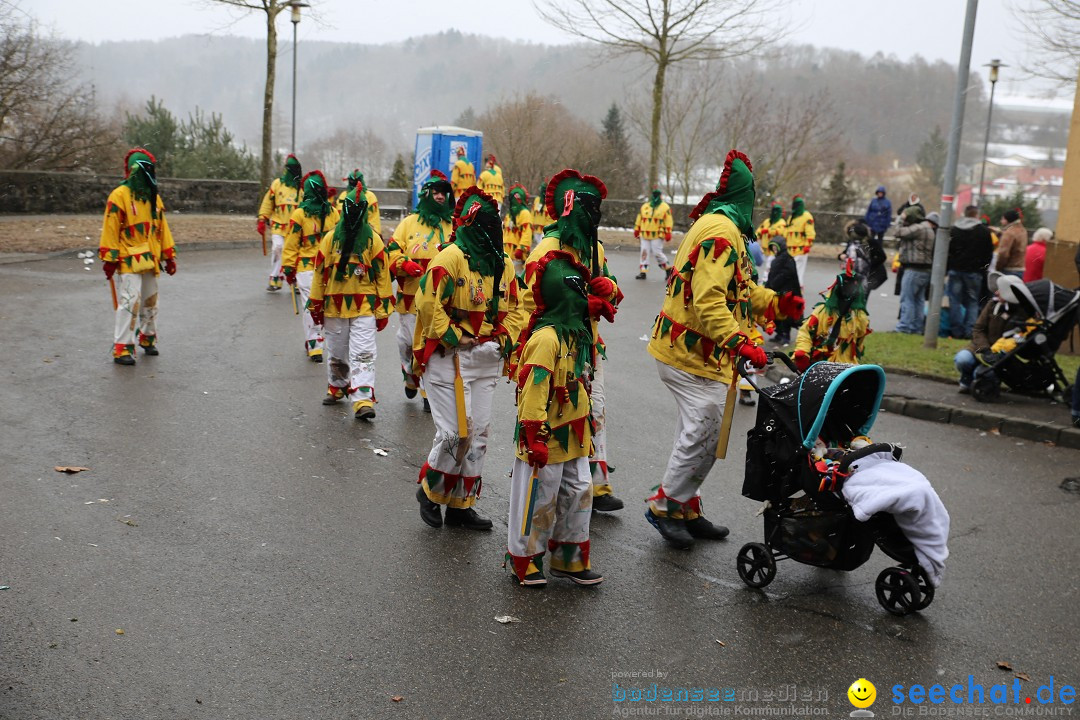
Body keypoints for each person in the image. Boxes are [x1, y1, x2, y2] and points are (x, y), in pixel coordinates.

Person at [646, 150, 803, 549]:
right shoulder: (721, 232)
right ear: (743, 198)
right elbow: (709, 300)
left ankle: (685, 505)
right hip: (689, 353)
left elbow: (741, 292)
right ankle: (665, 505)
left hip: (700, 354)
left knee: (703, 432)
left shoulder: (725, 227)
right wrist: (740, 342)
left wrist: (776, 304)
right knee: (705, 427)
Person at [413, 186, 525, 531]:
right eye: (485, 227)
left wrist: (502, 339)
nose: (492, 234)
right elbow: (428, 305)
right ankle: (431, 491)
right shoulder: (450, 258)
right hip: (450, 358)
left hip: (486, 359)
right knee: (455, 432)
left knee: (480, 434)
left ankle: (462, 504)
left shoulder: (504, 265)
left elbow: (517, 311)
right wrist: (456, 336)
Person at [520, 169, 624, 513]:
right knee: (550, 422)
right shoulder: (545, 252)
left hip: (588, 348)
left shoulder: (593, 248)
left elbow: (610, 288)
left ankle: (597, 483)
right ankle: (537, 514)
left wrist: (609, 289)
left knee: (596, 411)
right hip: (552, 353)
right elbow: (530, 308)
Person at [506, 255, 604, 588]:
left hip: (574, 432)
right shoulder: (546, 338)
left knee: (580, 490)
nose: (584, 301)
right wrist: (532, 435)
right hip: (544, 434)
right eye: (578, 294)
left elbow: (606, 298)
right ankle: (524, 558)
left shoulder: (579, 333)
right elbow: (533, 389)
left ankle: (569, 557)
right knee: (539, 497)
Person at [308, 186, 393, 420]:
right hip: (333, 308)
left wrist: (383, 309)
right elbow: (319, 274)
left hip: (364, 308)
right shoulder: (329, 239)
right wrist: (316, 305)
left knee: (364, 353)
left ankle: (363, 400)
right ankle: (337, 386)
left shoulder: (373, 241)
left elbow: (383, 276)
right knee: (336, 352)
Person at [99, 148, 177, 365]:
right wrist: (110, 258)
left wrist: (168, 255)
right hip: (128, 258)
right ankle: (122, 347)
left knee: (151, 301)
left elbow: (162, 228)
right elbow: (111, 227)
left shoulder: (154, 197)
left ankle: (147, 337)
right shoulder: (119, 196)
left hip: (150, 259)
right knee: (129, 301)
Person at [386, 171, 455, 408]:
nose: (440, 197)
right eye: (435, 192)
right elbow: (392, 251)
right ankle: (409, 372)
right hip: (409, 298)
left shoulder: (453, 224)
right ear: (427, 195)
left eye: (444, 193)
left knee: (430, 343)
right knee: (406, 342)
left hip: (440, 300)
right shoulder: (408, 223)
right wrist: (403, 264)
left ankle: (428, 393)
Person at [282, 170, 340, 362]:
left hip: (309, 268)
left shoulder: (300, 213)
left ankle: (315, 342)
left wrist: (289, 267)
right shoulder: (332, 212)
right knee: (321, 304)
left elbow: (291, 243)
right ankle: (319, 341)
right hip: (324, 267)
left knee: (311, 305)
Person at [954, 272, 1026, 393]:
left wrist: (997, 353)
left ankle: (987, 380)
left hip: (1001, 354)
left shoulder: (1021, 312)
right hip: (980, 348)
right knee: (962, 359)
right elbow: (978, 328)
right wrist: (985, 349)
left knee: (982, 372)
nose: (996, 293)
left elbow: (1016, 336)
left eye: (1001, 291)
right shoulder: (992, 305)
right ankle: (967, 380)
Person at [792, 265, 870, 371]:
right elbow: (805, 332)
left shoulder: (860, 318)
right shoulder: (822, 312)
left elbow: (859, 342)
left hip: (845, 369)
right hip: (819, 366)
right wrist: (802, 352)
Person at [947, 205, 994, 339]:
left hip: (955, 270)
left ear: (965, 214)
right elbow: (988, 253)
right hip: (974, 272)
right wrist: (983, 268)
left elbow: (949, 250)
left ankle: (956, 331)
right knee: (972, 302)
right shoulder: (983, 232)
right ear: (976, 215)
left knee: (954, 301)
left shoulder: (954, 229)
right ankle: (970, 331)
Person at [258, 154, 302, 291]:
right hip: (278, 225)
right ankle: (275, 278)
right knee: (278, 249)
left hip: (295, 228)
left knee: (294, 254)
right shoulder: (277, 184)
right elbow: (268, 202)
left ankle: (294, 280)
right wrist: (262, 218)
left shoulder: (302, 187)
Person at [895, 208, 937, 334]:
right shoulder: (930, 230)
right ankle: (916, 328)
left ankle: (904, 327)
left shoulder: (920, 228)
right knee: (918, 300)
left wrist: (901, 218)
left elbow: (898, 232)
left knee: (907, 299)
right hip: (925, 270)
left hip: (913, 269)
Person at [764, 236, 800, 345]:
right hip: (777, 290)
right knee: (776, 314)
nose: (774, 249)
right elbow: (772, 274)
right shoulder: (778, 258)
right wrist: (768, 286)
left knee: (785, 315)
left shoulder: (787, 258)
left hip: (786, 291)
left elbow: (788, 273)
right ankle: (779, 334)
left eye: (776, 247)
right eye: (773, 247)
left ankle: (786, 336)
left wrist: (775, 281)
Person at [633, 188, 673, 280]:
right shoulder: (645, 206)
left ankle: (668, 269)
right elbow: (640, 218)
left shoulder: (665, 207)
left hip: (658, 234)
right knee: (644, 252)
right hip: (644, 233)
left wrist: (668, 232)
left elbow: (668, 220)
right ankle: (643, 272)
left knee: (657, 253)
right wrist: (637, 229)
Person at [337, 169, 381, 237]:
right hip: (343, 233)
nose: (354, 183)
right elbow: (338, 216)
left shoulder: (370, 196)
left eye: (356, 181)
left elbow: (374, 219)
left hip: (365, 233)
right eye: (351, 181)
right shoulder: (343, 196)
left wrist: (374, 233)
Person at [784, 194, 815, 286]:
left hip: (800, 250)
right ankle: (790, 291)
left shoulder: (807, 216)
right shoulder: (791, 217)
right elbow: (786, 232)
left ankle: (797, 293)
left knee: (797, 273)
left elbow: (810, 233)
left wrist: (807, 246)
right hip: (789, 251)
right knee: (789, 272)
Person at [503, 184, 533, 273]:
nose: (515, 202)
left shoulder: (525, 213)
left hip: (518, 256)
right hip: (506, 255)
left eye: (517, 199)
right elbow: (504, 232)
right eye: (513, 199)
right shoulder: (509, 215)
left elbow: (527, 233)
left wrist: (521, 249)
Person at [756, 201, 786, 280]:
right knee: (765, 265)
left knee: (769, 266)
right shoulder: (767, 221)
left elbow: (781, 231)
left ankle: (765, 282)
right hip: (765, 248)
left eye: (777, 211)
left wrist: (769, 231)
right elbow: (759, 230)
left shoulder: (782, 222)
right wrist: (755, 237)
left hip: (774, 249)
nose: (775, 213)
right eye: (774, 211)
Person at [993, 208, 1027, 278]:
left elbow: (1003, 253)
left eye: (1002, 219)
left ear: (1007, 220)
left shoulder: (1009, 233)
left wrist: (997, 267)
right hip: (1020, 269)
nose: (1001, 221)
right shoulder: (1023, 230)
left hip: (1009, 270)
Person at [863, 185, 892, 253]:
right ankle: (870, 251)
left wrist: (887, 224)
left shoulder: (887, 202)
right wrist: (866, 221)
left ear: (883, 193)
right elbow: (869, 211)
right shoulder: (873, 201)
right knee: (870, 238)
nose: (880, 194)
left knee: (880, 240)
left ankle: (879, 252)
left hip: (881, 224)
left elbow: (888, 214)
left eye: (881, 192)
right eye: (879, 192)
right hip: (872, 223)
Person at [530, 181, 554, 251]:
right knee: (538, 247)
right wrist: (531, 225)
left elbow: (551, 218)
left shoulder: (551, 201)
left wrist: (547, 229)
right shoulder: (537, 200)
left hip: (545, 230)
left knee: (543, 248)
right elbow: (532, 213)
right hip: (536, 229)